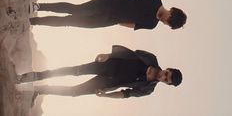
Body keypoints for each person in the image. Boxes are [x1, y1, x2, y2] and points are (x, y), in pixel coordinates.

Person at [17, 45, 182, 100]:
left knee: (75, 92)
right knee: (75, 71)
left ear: (166, 83)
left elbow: (126, 94)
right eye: (167, 73)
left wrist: (106, 95)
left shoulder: (148, 89)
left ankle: (39, 90)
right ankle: (37, 76)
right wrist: (109, 55)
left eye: (167, 80)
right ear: (168, 69)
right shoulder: (152, 58)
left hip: (107, 84)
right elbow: (130, 53)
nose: (164, 76)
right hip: (109, 65)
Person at [29, 0, 187, 30]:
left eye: (168, 25)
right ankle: (38, 6)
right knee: (77, 10)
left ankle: (34, 22)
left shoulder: (152, 25)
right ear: (171, 12)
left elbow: (131, 25)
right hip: (109, 3)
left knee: (70, 22)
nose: (166, 22)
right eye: (169, 20)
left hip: (108, 20)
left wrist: (116, 20)